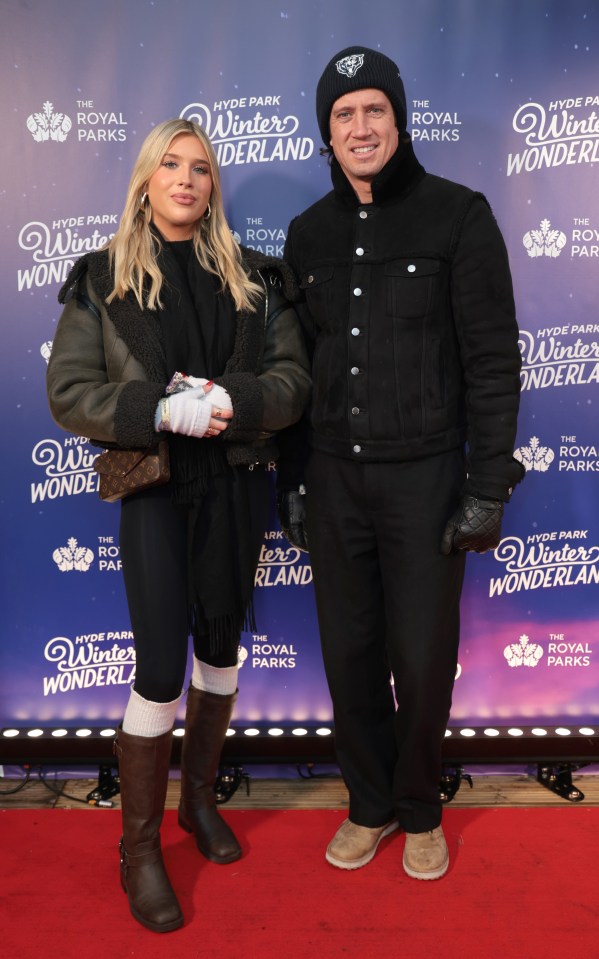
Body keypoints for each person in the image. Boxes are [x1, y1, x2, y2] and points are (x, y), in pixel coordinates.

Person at [47, 117, 310, 932]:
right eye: (170, 165)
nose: (186, 180)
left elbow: (294, 378)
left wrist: (235, 402)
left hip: (234, 485)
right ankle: (140, 846)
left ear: (212, 185)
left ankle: (198, 799)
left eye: (199, 168)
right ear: (145, 179)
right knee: (160, 668)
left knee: (222, 648)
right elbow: (69, 389)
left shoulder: (256, 276)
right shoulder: (100, 277)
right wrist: (155, 409)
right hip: (155, 489)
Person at [277, 47, 524, 880]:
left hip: (425, 480)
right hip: (334, 476)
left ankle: (420, 807)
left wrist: (486, 486)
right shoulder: (306, 234)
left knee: (419, 657)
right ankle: (369, 803)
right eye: (343, 114)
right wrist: (294, 481)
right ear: (326, 131)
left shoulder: (460, 216)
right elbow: (296, 372)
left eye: (372, 109)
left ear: (399, 118)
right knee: (347, 655)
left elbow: (492, 362)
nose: (359, 126)